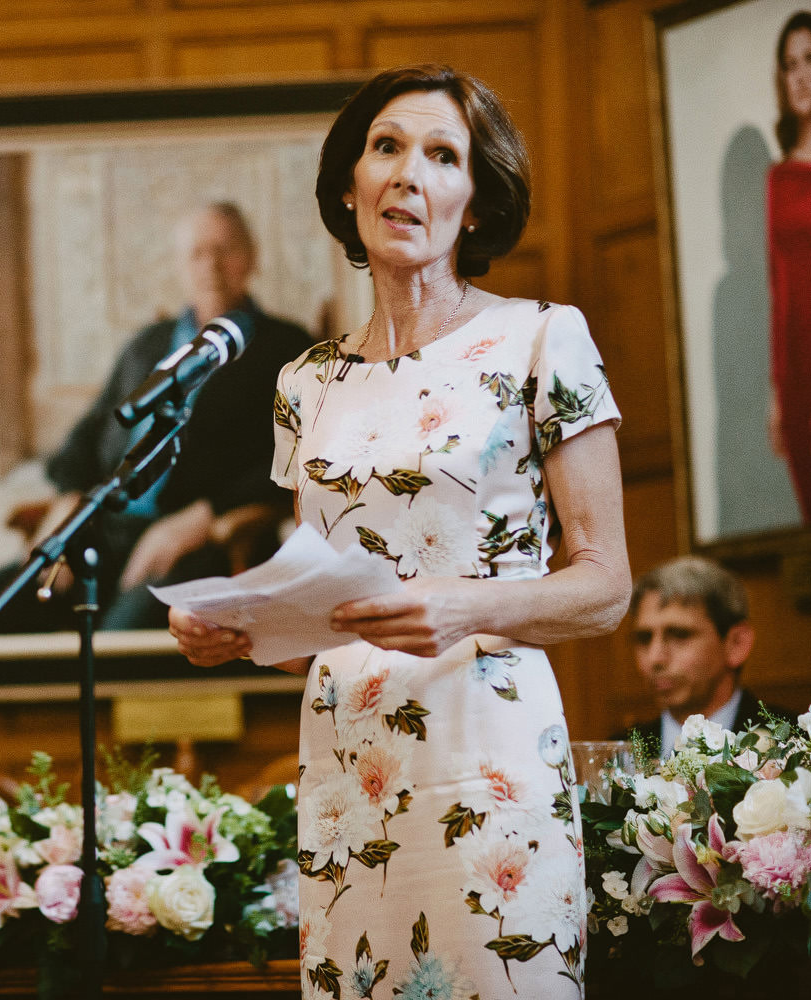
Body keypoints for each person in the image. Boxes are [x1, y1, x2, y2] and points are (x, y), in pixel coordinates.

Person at [168, 66, 629, 998]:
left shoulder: (544, 338)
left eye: (442, 154)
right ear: (350, 185)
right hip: (348, 759)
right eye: (386, 147)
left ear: (476, 199)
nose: (409, 173)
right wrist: (241, 628)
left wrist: (463, 606)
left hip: (486, 745)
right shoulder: (304, 382)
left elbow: (606, 586)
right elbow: (319, 582)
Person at [0, 202, 318, 632]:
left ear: (252, 257)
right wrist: (66, 512)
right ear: (180, 267)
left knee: (122, 637)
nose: (211, 266)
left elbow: (301, 456)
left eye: (225, 250)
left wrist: (203, 516)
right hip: (102, 531)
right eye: (196, 254)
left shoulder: (285, 347)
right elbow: (83, 442)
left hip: (195, 543)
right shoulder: (147, 345)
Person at [618, 556, 794, 753]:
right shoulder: (618, 754)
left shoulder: (793, 745)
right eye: (644, 638)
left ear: (736, 644)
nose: (655, 658)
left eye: (679, 635)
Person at [770, 11, 811, 522]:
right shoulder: (779, 178)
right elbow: (779, 286)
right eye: (789, 64)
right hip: (802, 374)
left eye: (809, 60)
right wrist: (777, 395)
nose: (799, 74)